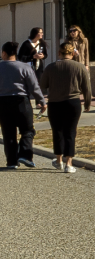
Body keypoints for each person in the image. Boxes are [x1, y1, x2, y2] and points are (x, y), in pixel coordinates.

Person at [0, 42, 45, 169]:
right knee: (27, 130)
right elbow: (34, 87)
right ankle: (25, 155)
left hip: (1, 102)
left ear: (4, 53)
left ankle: (11, 161)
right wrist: (41, 101)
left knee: (8, 132)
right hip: (21, 101)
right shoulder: (25, 68)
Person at [40, 41, 92, 174]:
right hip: (73, 103)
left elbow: (43, 84)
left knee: (57, 131)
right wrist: (86, 103)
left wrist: (41, 100)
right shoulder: (79, 67)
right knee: (71, 132)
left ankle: (58, 160)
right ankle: (69, 163)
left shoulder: (51, 67)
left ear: (59, 53)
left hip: (55, 103)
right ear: (73, 53)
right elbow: (87, 88)